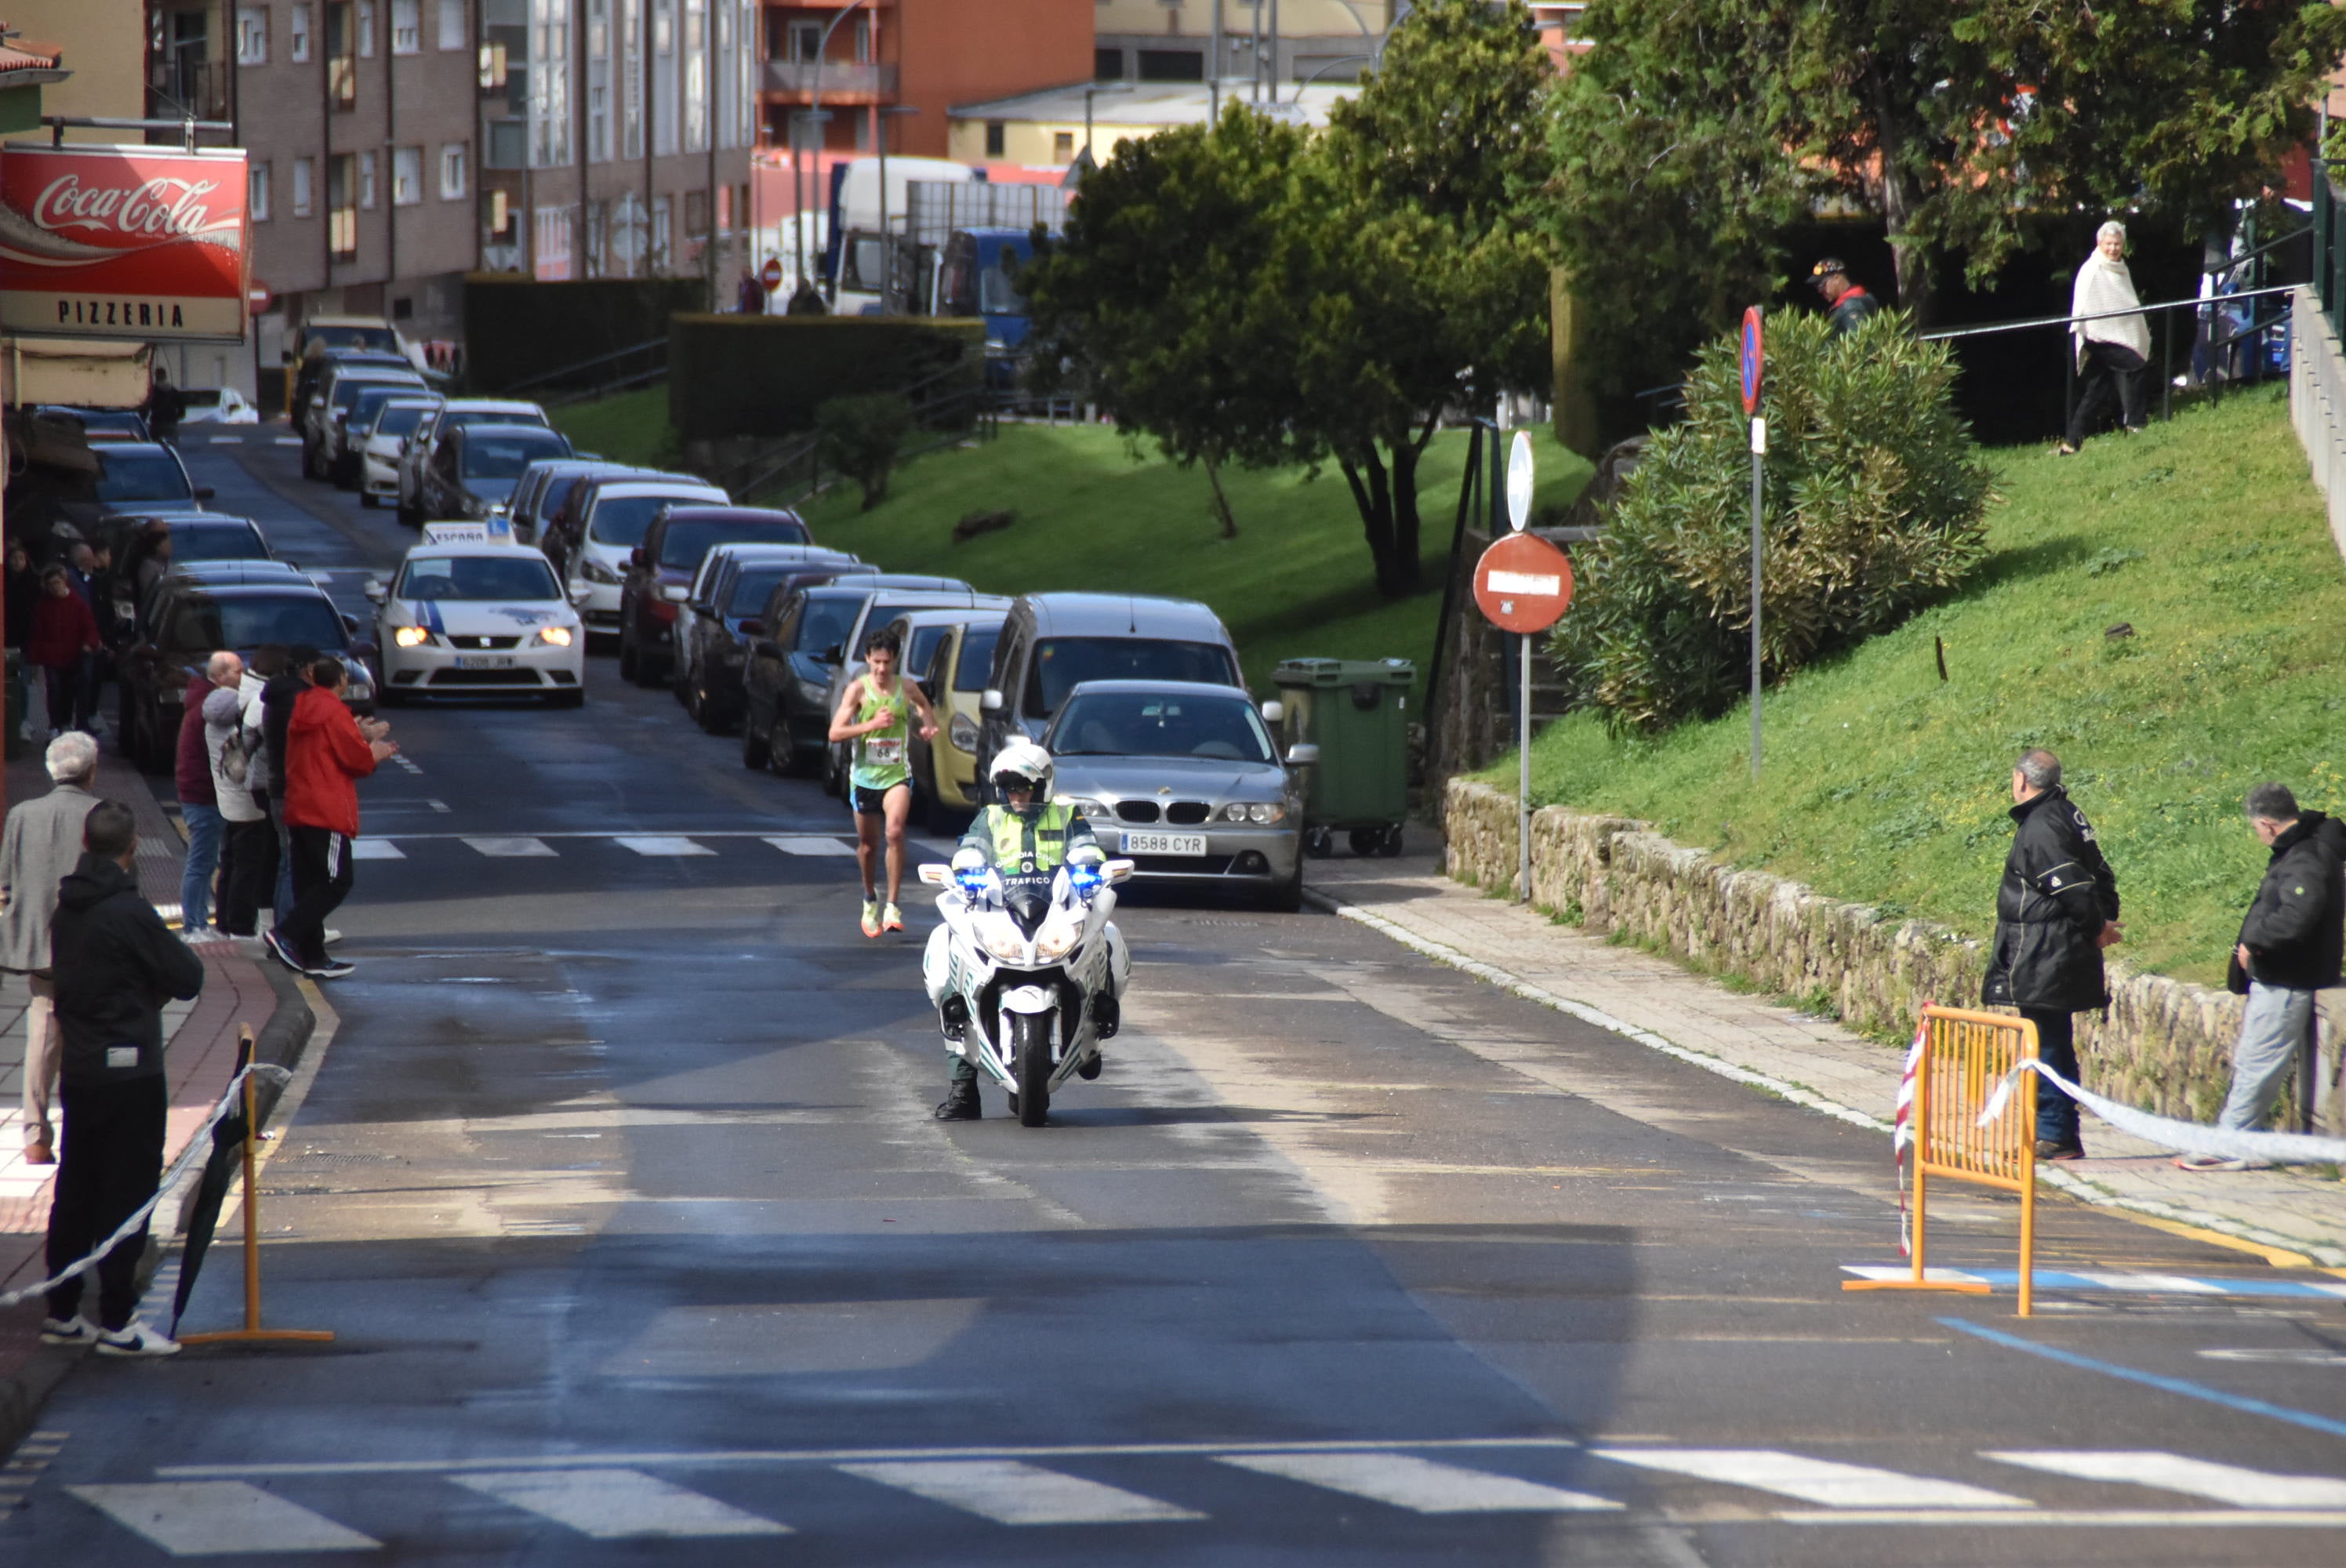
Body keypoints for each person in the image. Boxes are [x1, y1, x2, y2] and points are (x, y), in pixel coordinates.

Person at [38, 798, 205, 1357]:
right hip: (131, 1071)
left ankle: (62, 1311)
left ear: (86, 846)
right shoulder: (129, 912)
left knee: (76, 1190)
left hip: (81, 1071)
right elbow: (188, 974)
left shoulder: (68, 909)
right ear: (132, 850)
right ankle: (118, 1321)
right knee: (127, 1194)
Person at [929, 739, 1107, 1122]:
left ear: (1043, 785)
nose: (1017, 795)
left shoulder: (1066, 813)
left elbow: (1087, 847)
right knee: (949, 965)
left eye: (1024, 787)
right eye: (1010, 788)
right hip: (1000, 911)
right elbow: (970, 849)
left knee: (1106, 937)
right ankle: (963, 1089)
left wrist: (1089, 865)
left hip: (1055, 910)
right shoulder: (991, 817)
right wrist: (964, 871)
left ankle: (1094, 1034)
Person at [2177, 785, 2346, 1170]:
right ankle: (2236, 1137)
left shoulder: (2305, 858)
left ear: (2268, 825)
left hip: (2286, 978)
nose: (2258, 835)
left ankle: (2231, 1143)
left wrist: (2255, 943)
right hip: (2288, 974)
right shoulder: (2307, 848)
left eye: (2256, 828)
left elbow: (2298, 915)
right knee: (2255, 1059)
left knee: (2257, 1061)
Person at [1983, 749, 2123, 1160]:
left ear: (2021, 781)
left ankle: (2055, 1133)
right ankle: (2056, 1132)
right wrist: (2103, 918)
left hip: (2046, 951)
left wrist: (2097, 926)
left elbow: (2072, 887)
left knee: (2045, 1046)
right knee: (2052, 1042)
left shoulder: (2042, 825)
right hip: (2055, 949)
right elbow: (2102, 873)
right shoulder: (2066, 813)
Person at [0, 732, 100, 1165]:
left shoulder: (22, 814)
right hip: (95, 947)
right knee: (96, 1036)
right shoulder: (103, 815)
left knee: (42, 1034)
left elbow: (5, 884)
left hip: (42, 945)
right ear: (92, 771)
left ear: (49, 769)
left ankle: (36, 1137)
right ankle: (90, 1130)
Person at [267, 659, 394, 978]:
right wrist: (373, 751)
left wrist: (360, 736)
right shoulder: (335, 711)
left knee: (309, 881)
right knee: (337, 880)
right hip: (326, 806)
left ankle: (314, 956)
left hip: (299, 802)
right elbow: (355, 759)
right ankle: (287, 932)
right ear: (340, 682)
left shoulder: (303, 706)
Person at [827, 630, 939, 938]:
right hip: (864, 778)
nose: (881, 669)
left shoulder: (905, 687)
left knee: (895, 832)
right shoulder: (857, 691)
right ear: (867, 659)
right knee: (867, 846)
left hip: (896, 776)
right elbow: (835, 733)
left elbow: (924, 707)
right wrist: (871, 725)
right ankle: (869, 897)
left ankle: (892, 905)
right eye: (876, 662)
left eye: (887, 663)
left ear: (894, 661)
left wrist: (929, 727)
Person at [2061, 220, 2149, 456]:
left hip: (2113, 334)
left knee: (2098, 390)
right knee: (2135, 366)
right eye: (2109, 244)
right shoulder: (2092, 269)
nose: (2113, 249)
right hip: (2098, 335)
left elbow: (2126, 301)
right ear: (2100, 243)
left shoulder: (2121, 267)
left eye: (2117, 244)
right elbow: (2084, 305)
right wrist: (2086, 330)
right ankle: (2137, 424)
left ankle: (2071, 443)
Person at [175, 651, 241, 935]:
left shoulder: (203, 701)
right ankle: (194, 926)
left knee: (206, 860)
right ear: (219, 676)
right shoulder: (214, 706)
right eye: (238, 671)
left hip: (201, 791)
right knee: (201, 862)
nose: (243, 676)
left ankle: (200, 921)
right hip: (204, 794)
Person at [203, 680, 270, 938]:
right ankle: (241, 925)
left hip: (227, 803)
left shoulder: (211, 727)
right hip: (248, 805)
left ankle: (224, 921)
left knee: (230, 864)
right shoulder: (239, 731)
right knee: (247, 866)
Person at [257, 644, 316, 921]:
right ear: (309, 669)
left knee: (286, 861)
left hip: (277, 787)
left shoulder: (275, 696)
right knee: (297, 865)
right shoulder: (300, 699)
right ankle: (291, 930)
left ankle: (283, 928)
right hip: (295, 789)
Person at [25, 565, 102, 735]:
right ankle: (55, 725)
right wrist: (35, 657)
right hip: (51, 656)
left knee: (70, 690)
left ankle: (70, 722)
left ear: (64, 582)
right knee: (54, 689)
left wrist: (88, 643)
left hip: (73, 655)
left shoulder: (77, 604)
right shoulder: (43, 606)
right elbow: (37, 632)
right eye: (51, 584)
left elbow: (90, 628)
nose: (55, 587)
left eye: (58, 583)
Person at [1810, 259, 1883, 336]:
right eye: (1817, 286)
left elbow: (1859, 341)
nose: (1820, 290)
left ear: (1837, 278)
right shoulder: (1858, 300)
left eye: (1822, 285)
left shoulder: (1851, 306)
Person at [143, 363, 187, 445]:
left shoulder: (152, 391)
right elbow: (182, 408)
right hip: (171, 422)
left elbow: (146, 407)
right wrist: (177, 417)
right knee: (172, 446)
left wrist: (144, 418)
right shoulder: (173, 391)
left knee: (155, 446)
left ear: (156, 376)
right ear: (165, 376)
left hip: (156, 423)